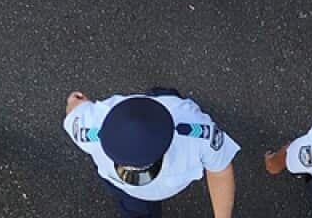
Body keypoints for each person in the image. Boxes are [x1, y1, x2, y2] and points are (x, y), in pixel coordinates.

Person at [63, 89, 238, 217]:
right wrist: (77, 104)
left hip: (170, 106)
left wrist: (76, 102)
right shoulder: (89, 129)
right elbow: (76, 112)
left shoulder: (198, 133)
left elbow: (221, 170)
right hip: (129, 192)